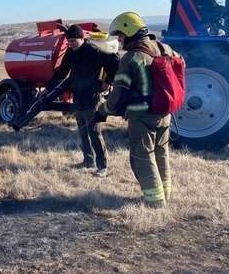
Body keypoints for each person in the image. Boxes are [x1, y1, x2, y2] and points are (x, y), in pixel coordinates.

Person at [91, 12, 173, 208]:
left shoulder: (132, 58)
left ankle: (155, 202)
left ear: (129, 31)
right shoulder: (166, 48)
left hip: (142, 116)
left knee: (142, 157)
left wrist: (102, 111)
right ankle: (166, 194)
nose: (119, 40)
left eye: (120, 36)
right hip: (165, 114)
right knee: (161, 154)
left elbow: (117, 96)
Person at [41, 24, 120, 177]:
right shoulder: (70, 52)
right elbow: (61, 72)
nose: (70, 44)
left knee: (94, 132)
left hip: (92, 98)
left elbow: (115, 62)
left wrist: (108, 81)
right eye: (68, 41)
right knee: (83, 132)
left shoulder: (94, 51)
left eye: (73, 41)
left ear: (81, 38)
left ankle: (102, 166)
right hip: (78, 97)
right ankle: (88, 161)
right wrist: (47, 89)